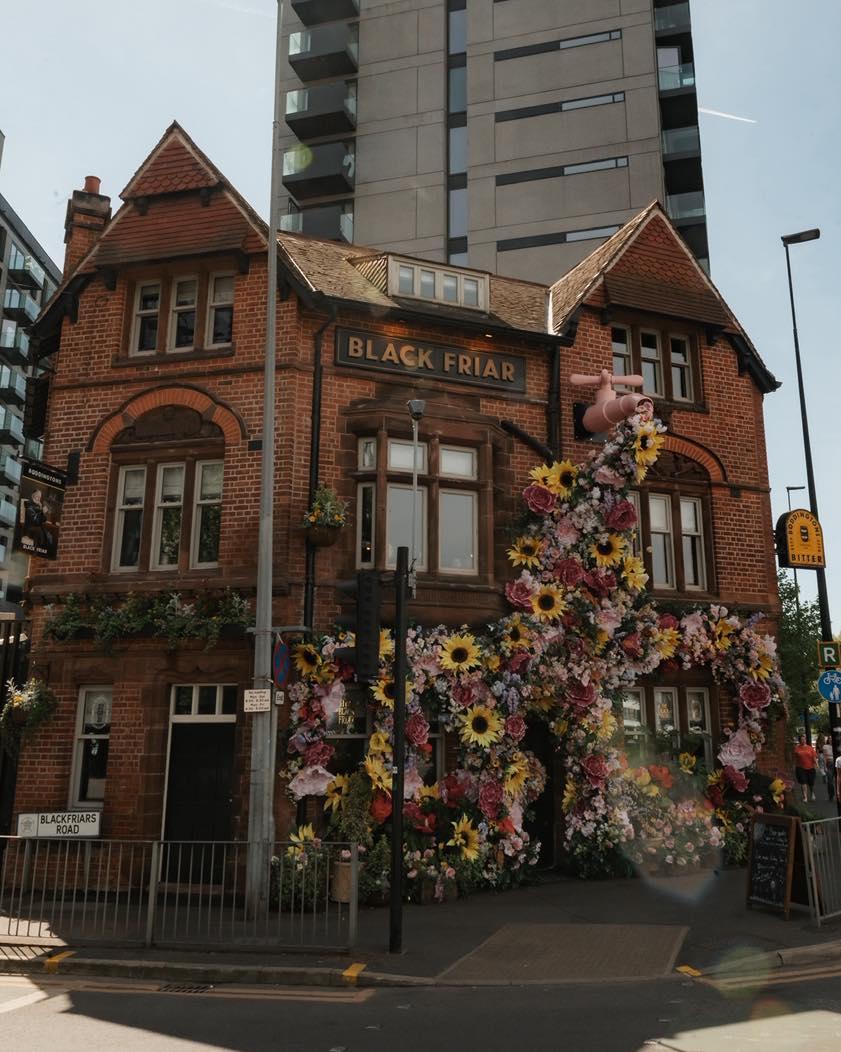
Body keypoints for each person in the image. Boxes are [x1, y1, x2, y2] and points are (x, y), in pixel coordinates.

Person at [793, 734, 817, 803]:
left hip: (810, 768)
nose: (803, 740)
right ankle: (805, 797)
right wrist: (794, 765)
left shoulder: (810, 748)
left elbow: (814, 757)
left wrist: (816, 764)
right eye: (802, 739)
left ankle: (812, 793)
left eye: (804, 739)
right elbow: (794, 758)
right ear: (799, 740)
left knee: (811, 783)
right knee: (803, 782)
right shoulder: (797, 748)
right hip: (800, 768)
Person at [819, 735, 835, 801]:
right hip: (829, 764)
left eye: (832, 738)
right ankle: (831, 795)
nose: (831, 739)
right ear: (828, 740)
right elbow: (825, 757)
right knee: (830, 782)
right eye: (829, 738)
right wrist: (825, 766)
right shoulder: (825, 746)